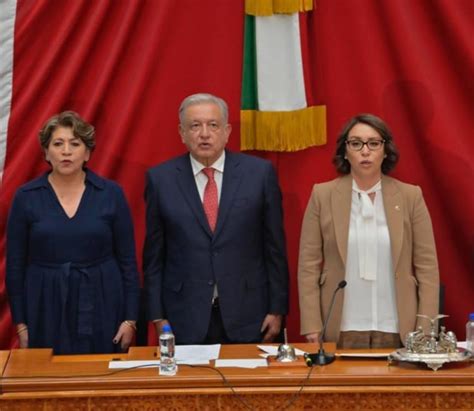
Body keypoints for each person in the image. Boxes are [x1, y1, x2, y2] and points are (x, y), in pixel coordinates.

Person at [143, 93, 289, 344]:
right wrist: (157, 316)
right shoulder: (161, 179)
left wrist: (277, 310)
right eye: (195, 126)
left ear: (227, 131)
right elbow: (154, 256)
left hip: (249, 313)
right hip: (183, 316)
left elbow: (274, 247)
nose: (204, 133)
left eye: (213, 125)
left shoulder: (259, 174)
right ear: (182, 133)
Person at [298, 113, 439, 349]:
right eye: (356, 143)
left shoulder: (409, 196)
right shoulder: (322, 195)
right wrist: (312, 323)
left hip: (399, 328)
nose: (365, 151)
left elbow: (427, 267)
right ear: (345, 150)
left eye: (374, 143)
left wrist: (426, 327)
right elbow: (308, 265)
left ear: (385, 150)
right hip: (340, 328)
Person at [6, 111, 140, 354]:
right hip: (44, 303)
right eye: (58, 144)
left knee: (102, 380)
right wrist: (22, 325)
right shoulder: (25, 197)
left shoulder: (111, 194)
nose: (66, 151)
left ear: (87, 152)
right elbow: (14, 267)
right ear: (46, 152)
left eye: (75, 144)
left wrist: (130, 319)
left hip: (103, 300)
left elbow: (128, 262)